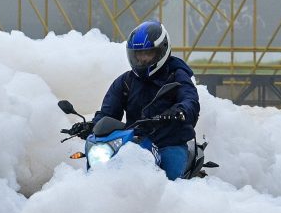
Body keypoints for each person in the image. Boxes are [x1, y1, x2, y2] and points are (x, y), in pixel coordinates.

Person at [74, 20, 200, 180]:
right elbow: (108, 113)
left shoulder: (177, 76)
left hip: (169, 142)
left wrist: (179, 111)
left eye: (148, 53)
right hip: (134, 142)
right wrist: (91, 126)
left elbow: (190, 100)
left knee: (170, 181)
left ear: (161, 50)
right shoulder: (125, 81)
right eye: (138, 54)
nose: (142, 59)